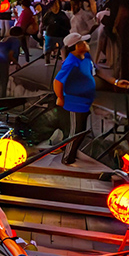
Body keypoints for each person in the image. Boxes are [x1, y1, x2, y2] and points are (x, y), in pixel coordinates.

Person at [54, 34, 98, 164]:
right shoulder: (71, 62)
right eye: (84, 43)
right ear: (77, 46)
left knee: (82, 131)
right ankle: (67, 158)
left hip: (85, 101)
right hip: (75, 102)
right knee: (76, 132)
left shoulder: (86, 58)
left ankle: (70, 153)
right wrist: (60, 97)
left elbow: (92, 73)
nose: (87, 44)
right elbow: (58, 81)